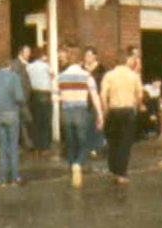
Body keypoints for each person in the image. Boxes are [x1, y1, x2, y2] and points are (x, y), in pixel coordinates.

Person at [57, 46, 104, 188]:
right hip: (81, 111)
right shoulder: (86, 76)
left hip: (66, 112)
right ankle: (78, 163)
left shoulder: (61, 76)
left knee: (71, 143)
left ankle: (72, 170)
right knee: (84, 142)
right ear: (78, 61)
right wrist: (100, 115)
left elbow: (55, 96)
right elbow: (95, 96)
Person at [101, 51, 143, 185]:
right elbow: (140, 95)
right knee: (125, 142)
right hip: (128, 110)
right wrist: (136, 106)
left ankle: (113, 169)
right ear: (126, 61)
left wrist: (106, 109)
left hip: (113, 110)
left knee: (113, 141)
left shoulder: (109, 75)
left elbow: (102, 95)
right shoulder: (134, 75)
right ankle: (121, 173)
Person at [0, 61, 25, 187]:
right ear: (9, 66)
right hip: (12, 114)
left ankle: (2, 179)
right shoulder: (14, 77)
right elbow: (19, 97)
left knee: (2, 147)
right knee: (13, 147)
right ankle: (14, 178)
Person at [26, 47, 53, 156]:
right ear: (42, 56)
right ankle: (45, 147)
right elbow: (52, 76)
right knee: (46, 122)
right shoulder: (46, 66)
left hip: (34, 95)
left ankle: (37, 147)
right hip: (45, 95)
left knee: (36, 122)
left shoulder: (29, 67)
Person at [84, 46, 107, 158]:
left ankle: (96, 149)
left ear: (95, 56)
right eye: (86, 55)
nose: (87, 58)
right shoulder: (81, 69)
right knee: (86, 125)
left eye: (89, 55)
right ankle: (87, 148)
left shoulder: (101, 69)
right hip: (84, 100)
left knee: (97, 124)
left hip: (96, 100)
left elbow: (103, 86)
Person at [10, 45, 35, 150]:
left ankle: (24, 142)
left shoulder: (28, 65)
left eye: (29, 51)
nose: (29, 54)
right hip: (20, 97)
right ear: (21, 52)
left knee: (23, 120)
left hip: (27, 96)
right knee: (26, 119)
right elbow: (16, 81)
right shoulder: (16, 64)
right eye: (26, 52)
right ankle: (26, 142)